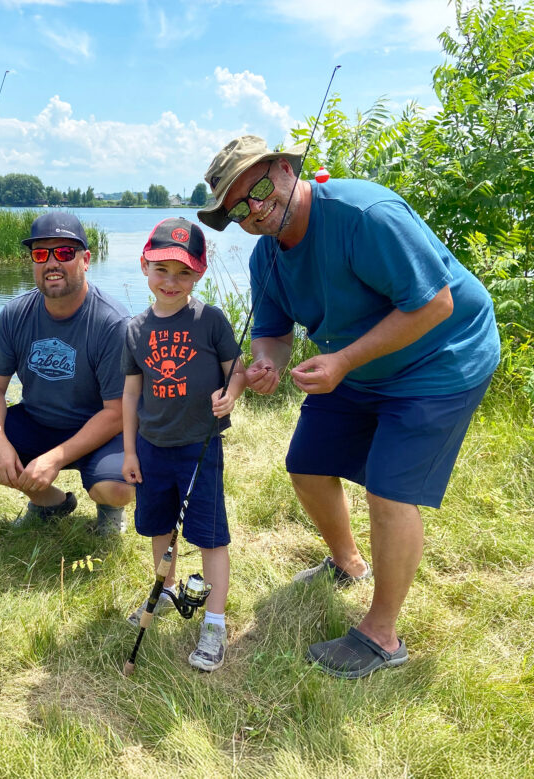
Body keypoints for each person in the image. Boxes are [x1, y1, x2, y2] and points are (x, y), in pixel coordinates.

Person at [197, 135, 500, 678]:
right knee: (307, 466)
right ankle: (348, 564)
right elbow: (271, 333)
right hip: (359, 364)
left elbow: (436, 303)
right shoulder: (267, 256)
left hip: (441, 356)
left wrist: (342, 362)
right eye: (240, 207)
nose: (257, 208)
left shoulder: (364, 215)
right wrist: (265, 363)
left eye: (261, 188)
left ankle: (382, 636)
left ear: (287, 168)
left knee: (390, 490)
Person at [0, 212, 134, 535]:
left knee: (118, 487)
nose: (52, 263)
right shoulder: (15, 314)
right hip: (38, 421)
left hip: (97, 429)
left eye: (64, 253)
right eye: (40, 254)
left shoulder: (112, 322)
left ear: (86, 260)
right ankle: (50, 503)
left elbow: (116, 413)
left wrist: (56, 458)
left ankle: (108, 511)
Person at [121, 218, 246, 672]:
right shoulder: (134, 329)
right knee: (159, 526)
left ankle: (214, 622)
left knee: (210, 536)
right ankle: (166, 590)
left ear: (199, 275)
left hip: (200, 446)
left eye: (184, 273)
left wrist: (231, 394)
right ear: (144, 268)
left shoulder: (210, 320)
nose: (171, 282)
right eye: (162, 271)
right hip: (152, 447)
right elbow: (131, 394)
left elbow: (238, 369)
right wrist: (130, 451)